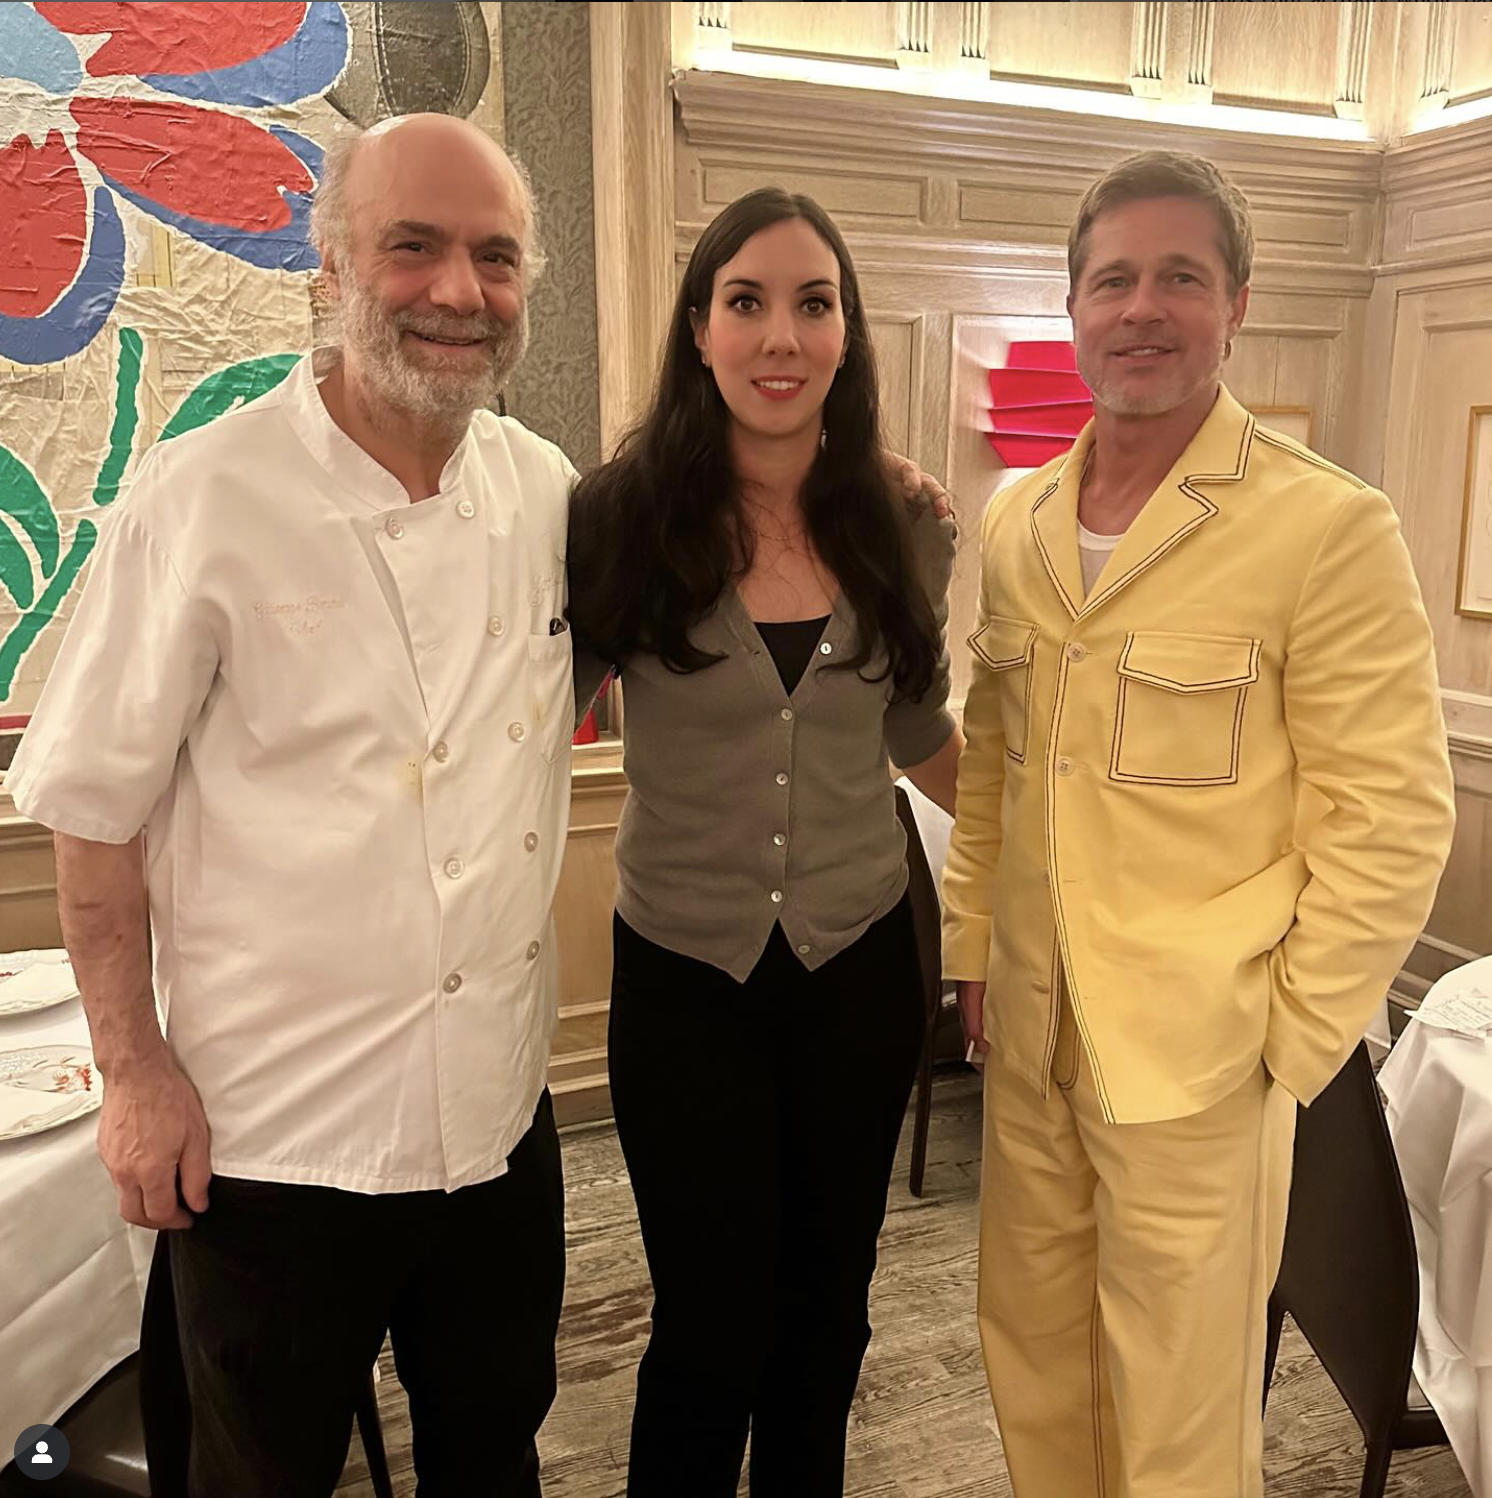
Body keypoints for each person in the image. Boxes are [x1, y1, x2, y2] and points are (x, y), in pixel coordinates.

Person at [7, 114, 574, 1498]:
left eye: (495, 257)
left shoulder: (548, 491)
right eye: (413, 247)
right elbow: (92, 812)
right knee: (259, 1478)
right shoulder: (204, 495)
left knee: (492, 1458)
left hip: (496, 1125)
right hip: (272, 1149)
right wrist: (136, 1076)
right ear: (330, 268)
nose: (459, 290)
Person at [941, 148, 1456, 1498]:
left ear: (1236, 303)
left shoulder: (1324, 526)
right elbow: (994, 769)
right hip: (1035, 1044)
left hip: (1203, 1064)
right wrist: (973, 946)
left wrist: (1286, 1037)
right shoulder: (1019, 522)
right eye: (1113, 279)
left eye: (1181, 276)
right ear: (1073, 306)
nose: (1142, 308)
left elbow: (1394, 818)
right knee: (1036, 1361)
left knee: (1181, 1408)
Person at [566, 187, 962, 1496]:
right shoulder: (618, 519)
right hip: (686, 985)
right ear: (700, 328)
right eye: (747, 301)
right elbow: (525, 724)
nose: (781, 335)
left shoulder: (904, 525)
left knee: (828, 1313)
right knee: (707, 1326)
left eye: (813, 303)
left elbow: (916, 729)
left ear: (847, 334)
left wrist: (1059, 843)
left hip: (860, 974)